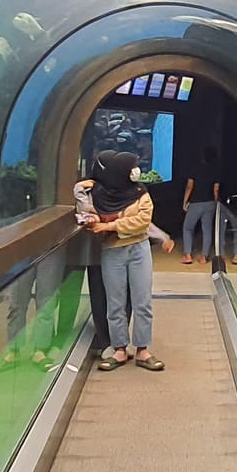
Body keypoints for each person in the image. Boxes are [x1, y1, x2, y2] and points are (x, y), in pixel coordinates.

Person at [81, 150, 162, 371]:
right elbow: (89, 211)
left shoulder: (141, 192)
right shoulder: (99, 195)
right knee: (115, 302)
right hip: (112, 252)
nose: (136, 171)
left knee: (142, 300)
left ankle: (143, 349)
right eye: (132, 167)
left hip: (139, 249)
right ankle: (119, 348)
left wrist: (109, 224)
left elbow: (142, 222)